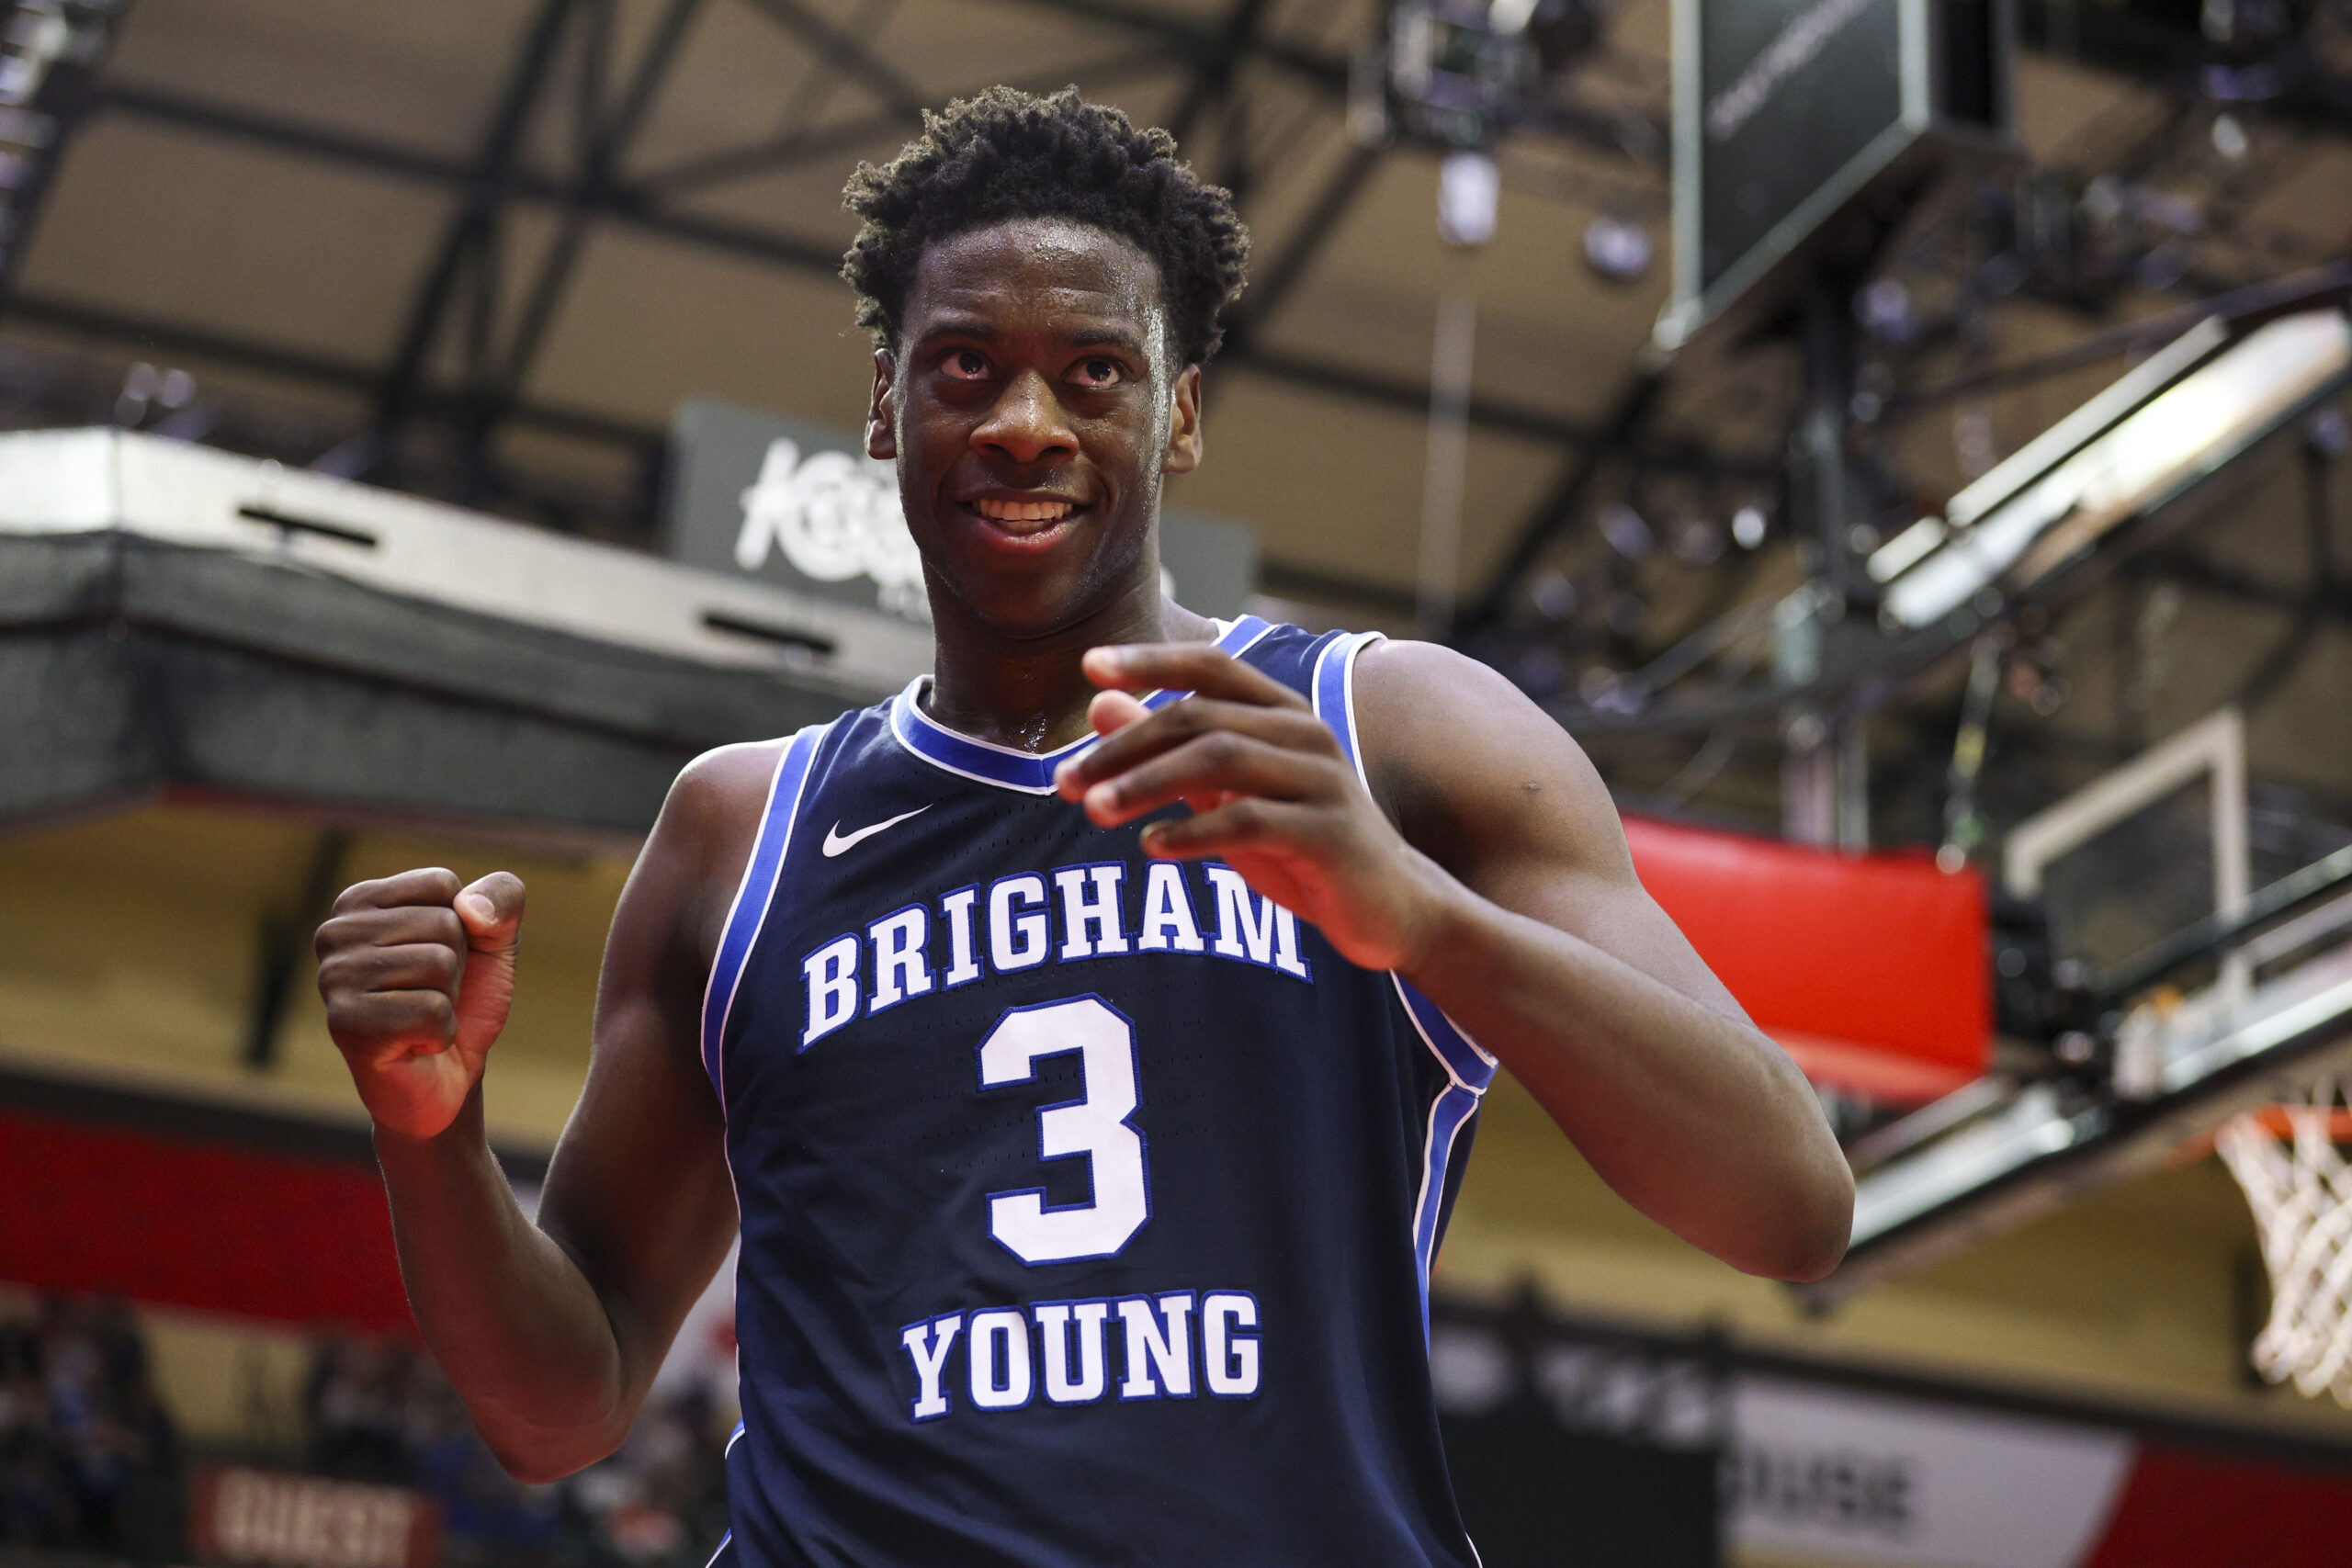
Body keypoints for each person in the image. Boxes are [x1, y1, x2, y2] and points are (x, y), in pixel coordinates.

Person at [314, 87, 1851, 1566]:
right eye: (967, 364)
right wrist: (428, 1136)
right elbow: (556, 1408)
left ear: (1179, 416)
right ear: (886, 403)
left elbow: (1788, 1202)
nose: (1026, 422)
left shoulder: (1395, 734)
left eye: (1095, 373)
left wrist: (1413, 916)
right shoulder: (741, 828)